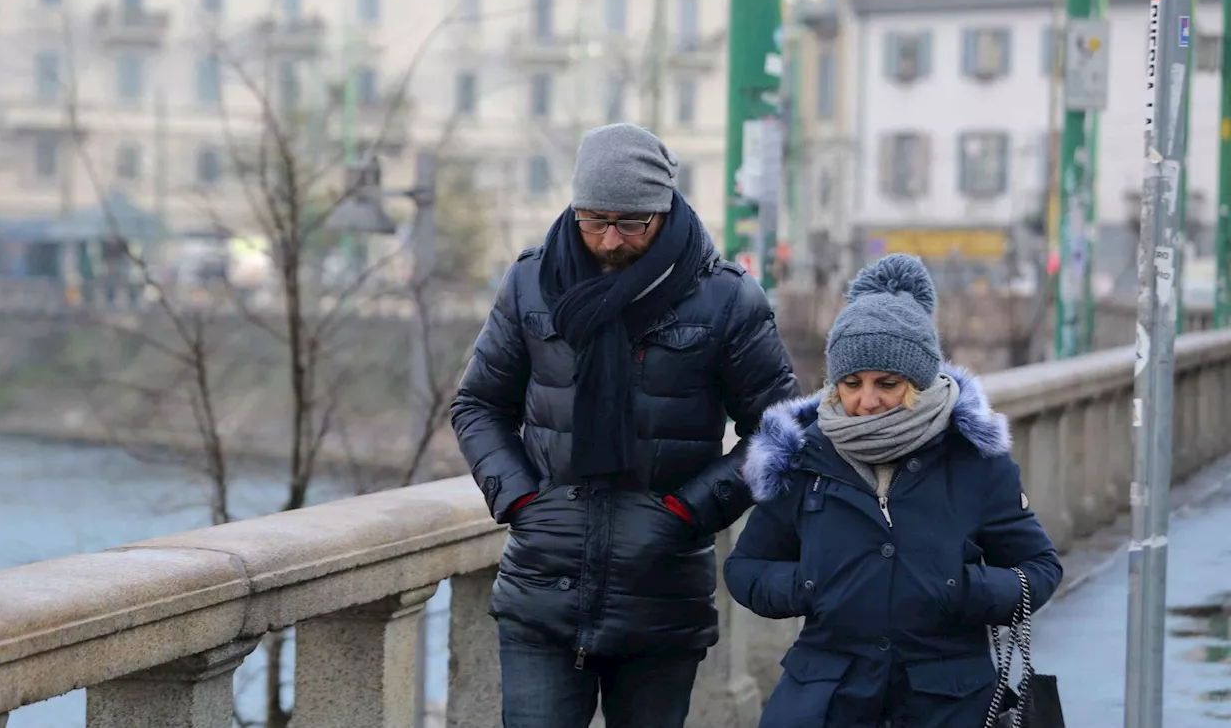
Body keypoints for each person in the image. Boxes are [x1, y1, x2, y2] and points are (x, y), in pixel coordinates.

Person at [452, 123, 800, 728]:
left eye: (631, 223)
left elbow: (782, 431)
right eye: (594, 219)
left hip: (662, 594)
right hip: (541, 589)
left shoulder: (726, 298)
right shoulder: (531, 282)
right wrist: (522, 499)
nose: (609, 240)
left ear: (663, 210)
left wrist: (690, 512)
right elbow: (477, 405)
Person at [724, 253, 1062, 728]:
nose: (866, 401)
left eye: (887, 383)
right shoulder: (804, 457)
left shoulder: (975, 459)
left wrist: (963, 590)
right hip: (828, 699)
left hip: (950, 702)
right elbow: (745, 570)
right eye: (851, 383)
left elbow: (1040, 569)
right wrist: (808, 586)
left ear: (920, 383)